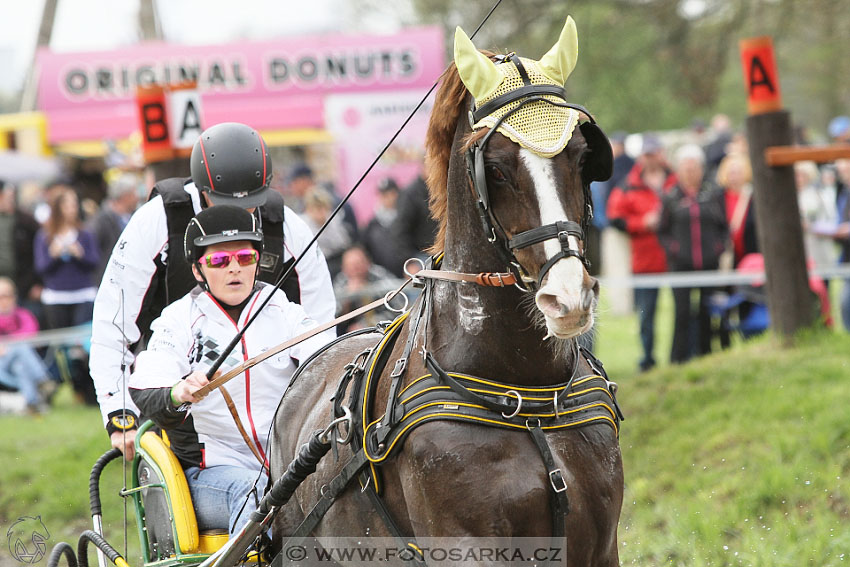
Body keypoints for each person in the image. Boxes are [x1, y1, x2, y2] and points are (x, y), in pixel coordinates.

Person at [91, 122, 336, 462]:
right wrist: (118, 411)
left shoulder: (288, 227)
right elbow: (113, 321)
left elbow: (322, 324)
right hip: (181, 391)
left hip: (275, 400)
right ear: (200, 186)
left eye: (251, 203)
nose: (238, 213)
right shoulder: (154, 223)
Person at [129, 205, 330, 536]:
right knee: (250, 489)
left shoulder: (283, 311)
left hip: (289, 467)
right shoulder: (178, 320)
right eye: (219, 261)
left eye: (245, 258)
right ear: (198, 270)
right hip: (211, 479)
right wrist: (178, 392)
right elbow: (148, 388)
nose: (234, 269)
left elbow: (324, 356)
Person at [606, 134, 676, 372]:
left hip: (678, 258)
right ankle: (647, 359)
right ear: (641, 157)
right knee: (647, 316)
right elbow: (615, 218)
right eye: (647, 154)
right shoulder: (628, 184)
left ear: (662, 153)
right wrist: (642, 223)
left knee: (685, 310)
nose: (652, 158)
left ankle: (682, 356)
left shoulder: (675, 180)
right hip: (645, 259)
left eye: (655, 153)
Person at [658, 144, 729, 364]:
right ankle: (678, 359)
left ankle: (705, 355)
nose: (690, 172)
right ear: (679, 171)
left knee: (707, 311)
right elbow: (662, 230)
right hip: (681, 266)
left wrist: (718, 248)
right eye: (686, 168)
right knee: (682, 313)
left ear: (701, 169)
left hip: (708, 264)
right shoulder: (671, 197)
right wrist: (674, 250)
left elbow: (724, 227)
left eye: (694, 168)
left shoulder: (712, 194)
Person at [34, 186, 100, 329]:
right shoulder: (44, 236)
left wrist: (80, 254)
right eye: (67, 205)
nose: (72, 209)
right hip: (56, 296)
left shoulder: (85, 233)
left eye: (74, 204)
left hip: (83, 294)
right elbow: (41, 267)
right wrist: (53, 255)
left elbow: (95, 262)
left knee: (80, 342)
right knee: (61, 342)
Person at [0, 277, 53, 414]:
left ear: (14, 297)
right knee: (20, 346)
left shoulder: (23, 315)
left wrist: (8, 345)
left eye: (7, 296)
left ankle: (31, 404)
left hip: (18, 363)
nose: (3, 300)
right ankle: (42, 380)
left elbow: (31, 335)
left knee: (20, 365)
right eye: (0, 296)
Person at [87, 171, 143, 284]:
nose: (138, 197)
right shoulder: (101, 219)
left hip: (129, 278)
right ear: (125, 196)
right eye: (134, 193)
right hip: (106, 279)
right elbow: (93, 250)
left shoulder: (136, 216)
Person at [0, 181, 42, 319]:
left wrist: (38, 283)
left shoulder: (26, 221)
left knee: (27, 320)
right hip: (3, 282)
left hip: (24, 284)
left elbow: (41, 249)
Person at [390, 174, 438, 265]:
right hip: (421, 255)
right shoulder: (410, 194)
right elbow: (400, 230)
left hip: (441, 253)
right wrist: (409, 261)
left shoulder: (441, 188)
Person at [362, 177, 404, 277]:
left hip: (405, 273)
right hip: (382, 277)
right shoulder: (372, 224)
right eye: (384, 195)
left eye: (391, 194)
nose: (388, 198)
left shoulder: (405, 218)